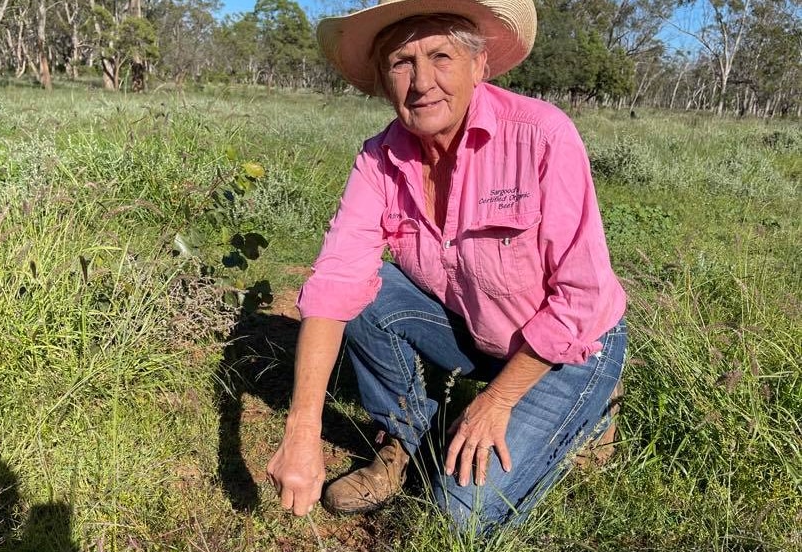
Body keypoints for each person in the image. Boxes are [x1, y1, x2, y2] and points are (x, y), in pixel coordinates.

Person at [266, 0, 627, 532]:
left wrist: (496, 401)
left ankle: (590, 413)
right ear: (384, 81)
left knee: (462, 511)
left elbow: (582, 299)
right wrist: (301, 429)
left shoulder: (542, 136)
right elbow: (336, 281)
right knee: (372, 293)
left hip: (570, 349)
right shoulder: (378, 160)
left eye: (441, 55)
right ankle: (403, 441)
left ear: (479, 65)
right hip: (478, 331)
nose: (421, 82)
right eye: (401, 62)